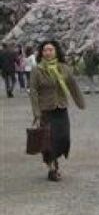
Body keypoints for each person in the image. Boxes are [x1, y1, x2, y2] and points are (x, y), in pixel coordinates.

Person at [29, 39, 86, 181]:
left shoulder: (64, 68)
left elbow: (73, 85)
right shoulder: (37, 70)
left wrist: (80, 102)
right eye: (45, 50)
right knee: (48, 141)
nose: (48, 53)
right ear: (41, 53)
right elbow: (34, 91)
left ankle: (55, 160)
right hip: (45, 110)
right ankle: (52, 168)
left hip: (61, 108)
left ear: (56, 52)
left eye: (51, 50)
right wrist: (36, 112)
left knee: (63, 138)